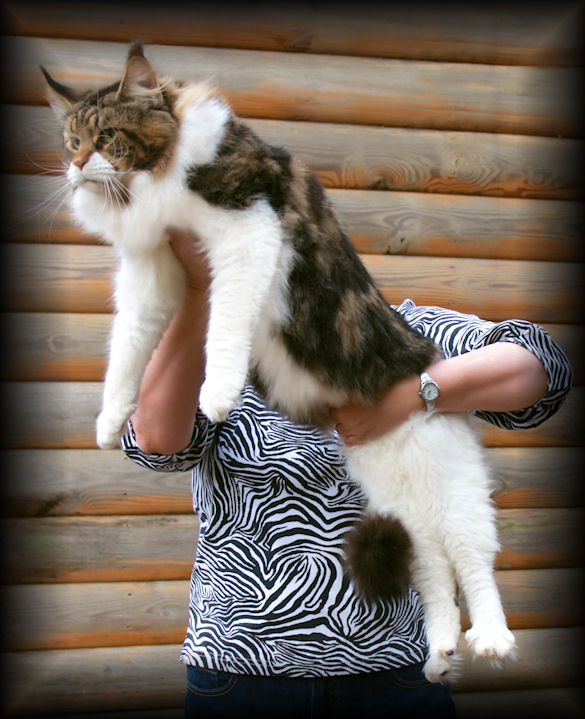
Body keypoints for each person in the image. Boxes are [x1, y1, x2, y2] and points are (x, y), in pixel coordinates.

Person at [122, 229, 572, 718]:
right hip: (239, 674)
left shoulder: (403, 329)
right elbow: (157, 443)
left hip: (394, 673)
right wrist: (196, 292)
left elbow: (540, 369)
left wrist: (413, 393)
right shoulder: (221, 348)